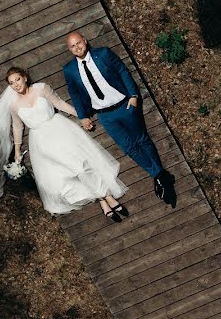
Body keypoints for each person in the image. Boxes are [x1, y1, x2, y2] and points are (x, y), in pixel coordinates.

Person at [0, 66, 128, 219]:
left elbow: (60, 104)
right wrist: (18, 150)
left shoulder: (41, 89)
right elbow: (17, 127)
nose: (16, 85)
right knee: (68, 174)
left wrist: (81, 116)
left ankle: (104, 200)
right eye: (11, 83)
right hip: (42, 140)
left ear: (25, 77)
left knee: (81, 166)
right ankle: (107, 196)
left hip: (60, 130)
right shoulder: (14, 105)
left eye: (17, 80)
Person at [63, 31, 172, 201]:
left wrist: (134, 96)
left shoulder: (104, 54)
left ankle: (159, 176)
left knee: (142, 140)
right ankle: (160, 175)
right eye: (73, 46)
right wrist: (83, 116)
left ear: (85, 40)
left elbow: (123, 72)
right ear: (69, 49)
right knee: (128, 147)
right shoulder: (69, 70)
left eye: (79, 43)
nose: (77, 47)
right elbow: (75, 94)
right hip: (104, 115)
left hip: (124, 106)